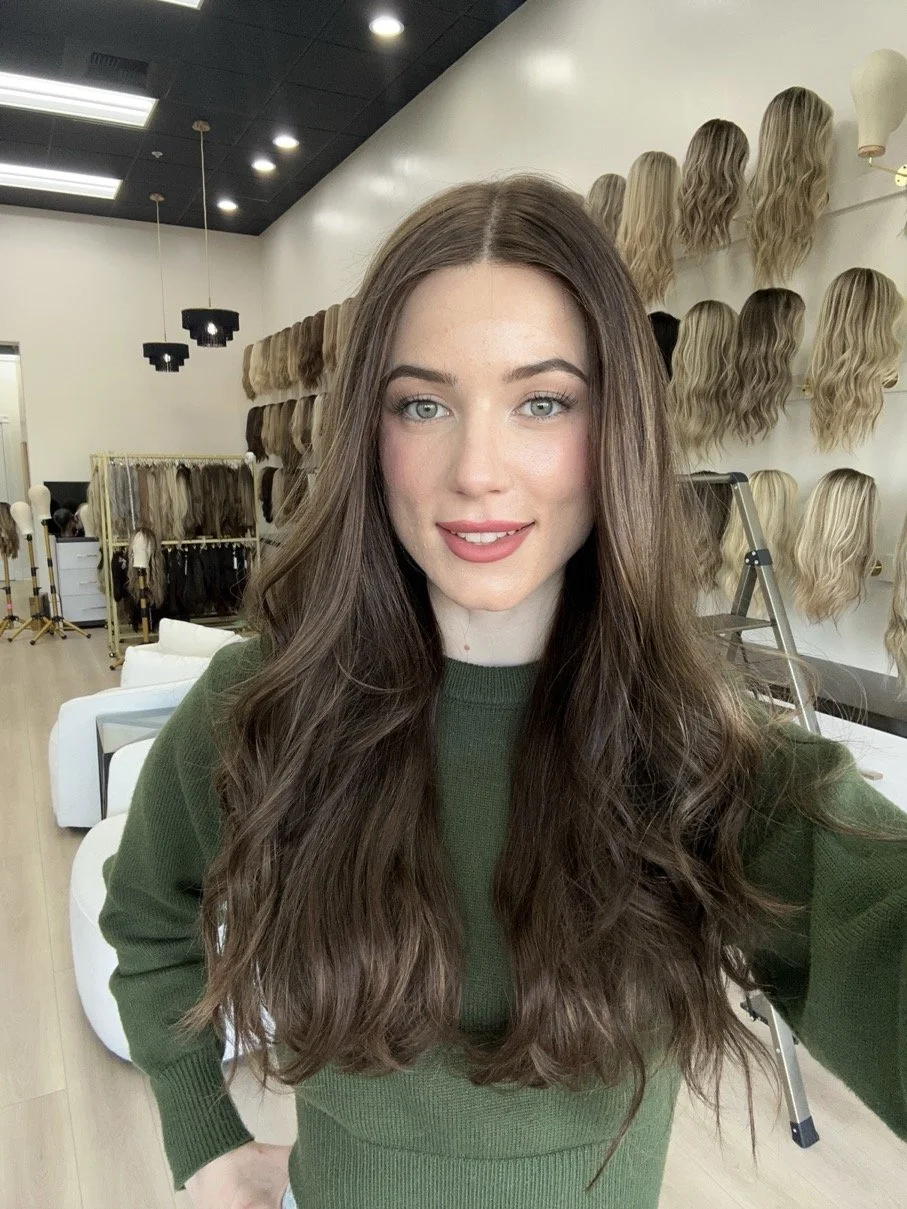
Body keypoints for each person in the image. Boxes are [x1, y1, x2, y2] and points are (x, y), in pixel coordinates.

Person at [98, 176, 907, 1209]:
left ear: (614, 428)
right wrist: (200, 1133)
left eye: (542, 401)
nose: (476, 470)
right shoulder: (263, 706)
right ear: (369, 433)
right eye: (423, 403)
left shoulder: (698, 754)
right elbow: (147, 919)